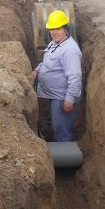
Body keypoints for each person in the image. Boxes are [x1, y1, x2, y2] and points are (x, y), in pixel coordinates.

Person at [31, 10, 82, 142]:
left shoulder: (70, 50)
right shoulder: (55, 43)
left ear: (65, 29)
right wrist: (37, 70)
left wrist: (69, 99)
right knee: (57, 125)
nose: (54, 32)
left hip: (61, 97)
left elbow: (75, 76)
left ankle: (65, 157)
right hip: (53, 95)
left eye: (58, 28)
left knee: (62, 129)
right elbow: (47, 62)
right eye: (52, 29)